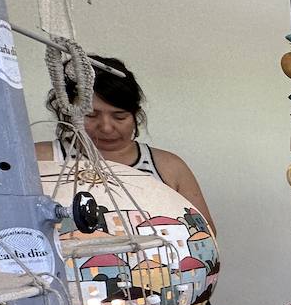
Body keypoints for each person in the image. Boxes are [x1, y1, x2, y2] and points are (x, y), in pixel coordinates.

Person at [37, 56, 216, 230]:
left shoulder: (169, 167)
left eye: (119, 116)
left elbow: (204, 233)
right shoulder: (40, 159)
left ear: (135, 115)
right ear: (69, 111)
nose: (106, 128)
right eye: (91, 115)